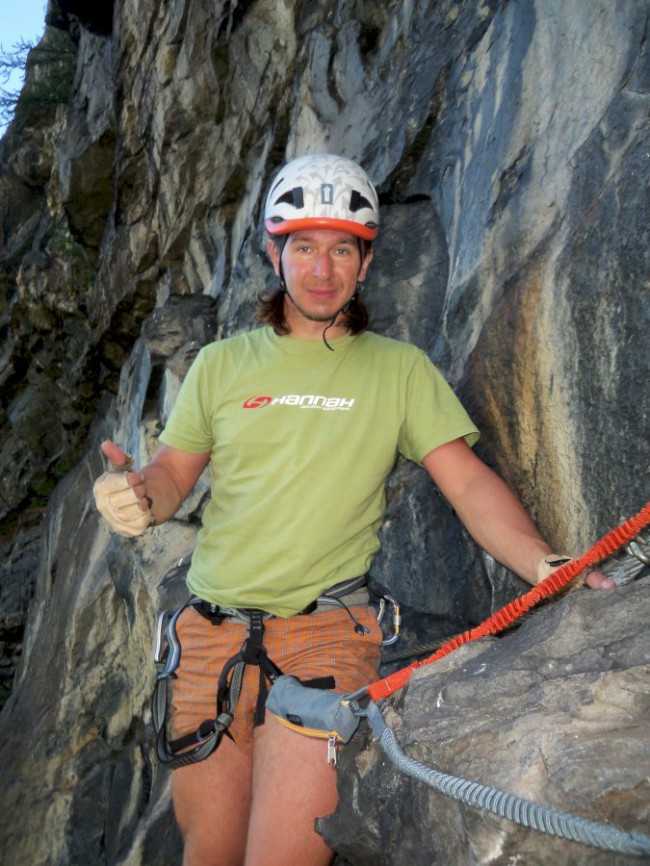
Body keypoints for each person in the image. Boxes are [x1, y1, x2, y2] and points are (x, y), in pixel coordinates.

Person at [93, 153, 614, 866]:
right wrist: (135, 498)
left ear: (365, 264)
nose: (321, 269)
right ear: (275, 254)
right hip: (210, 639)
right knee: (206, 854)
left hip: (327, 639)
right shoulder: (221, 365)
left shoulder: (397, 370)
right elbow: (173, 475)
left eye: (343, 249)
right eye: (303, 246)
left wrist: (544, 563)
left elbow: (465, 482)